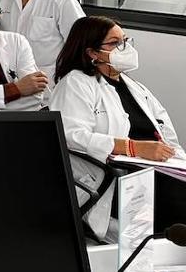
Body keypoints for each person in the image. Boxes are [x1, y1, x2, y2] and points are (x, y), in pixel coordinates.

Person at [50, 16, 185, 234]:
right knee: (176, 195)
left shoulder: (133, 86)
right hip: (113, 177)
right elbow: (70, 135)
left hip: (155, 166)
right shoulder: (76, 83)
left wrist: (176, 159)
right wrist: (133, 147)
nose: (125, 48)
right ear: (92, 52)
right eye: (115, 43)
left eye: (125, 41)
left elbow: (164, 129)